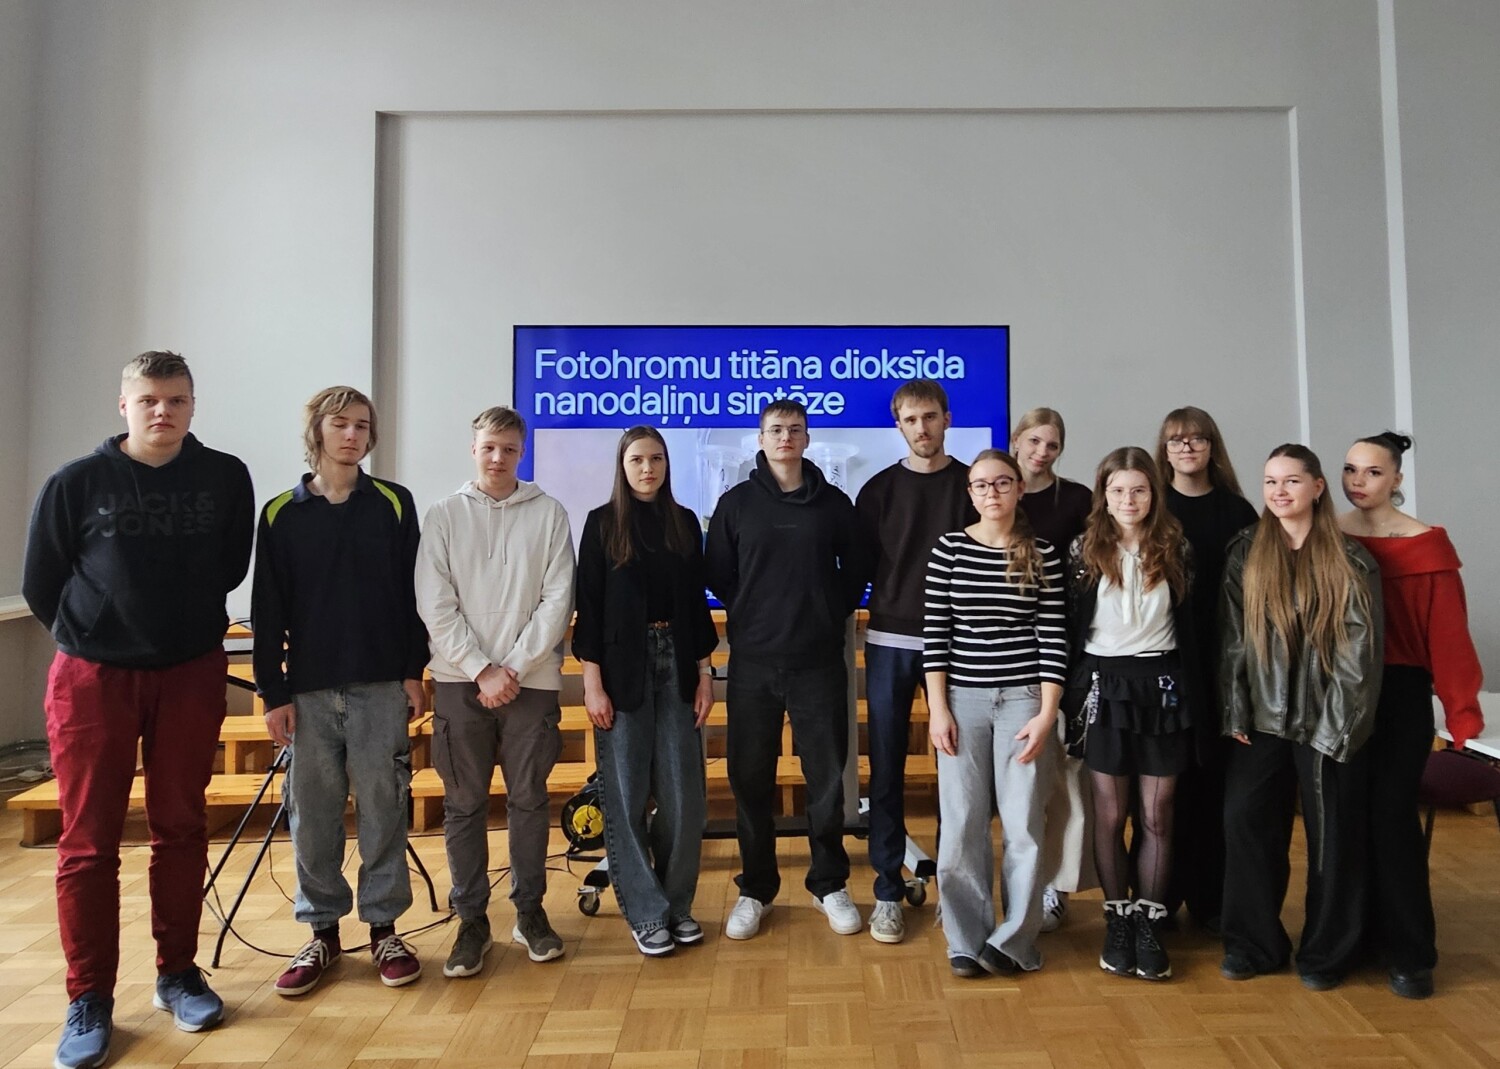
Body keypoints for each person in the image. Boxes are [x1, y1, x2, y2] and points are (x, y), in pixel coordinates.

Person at [23, 352, 254, 1068]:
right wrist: (100, 634)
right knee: (88, 840)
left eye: (177, 399)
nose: (164, 411)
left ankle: (177, 973)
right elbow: (41, 582)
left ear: (193, 405)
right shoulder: (76, 482)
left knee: (180, 827)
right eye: (150, 399)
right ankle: (89, 996)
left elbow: (230, 567)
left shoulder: (225, 477)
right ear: (124, 404)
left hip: (189, 670)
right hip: (94, 677)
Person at [253, 386, 430, 996]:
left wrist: (413, 671)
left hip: (381, 684)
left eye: (361, 425)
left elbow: (413, 597)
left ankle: (384, 928)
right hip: (306, 692)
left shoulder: (394, 504)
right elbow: (267, 609)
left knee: (384, 807)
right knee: (313, 815)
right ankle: (321, 931)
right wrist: (273, 693)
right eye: (340, 424)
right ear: (318, 432)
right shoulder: (281, 513)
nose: (352, 435)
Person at [416, 406, 575, 972]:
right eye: (488, 447)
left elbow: (558, 599)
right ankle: (472, 921)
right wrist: (481, 668)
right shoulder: (443, 515)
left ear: (522, 452)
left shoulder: (549, 513)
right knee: (464, 804)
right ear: (473, 449)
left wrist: (513, 667)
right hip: (460, 681)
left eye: (509, 449)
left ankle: (530, 912)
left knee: (529, 799)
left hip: (532, 683)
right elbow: (434, 602)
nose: (498, 458)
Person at [1219, 444, 1382, 990]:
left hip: (1327, 721)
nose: (1279, 491)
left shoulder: (1351, 558)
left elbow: (1360, 655)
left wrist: (1338, 730)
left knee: (1332, 839)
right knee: (1245, 824)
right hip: (1261, 721)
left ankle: (1326, 953)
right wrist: (1236, 710)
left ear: (1317, 486)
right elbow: (1234, 641)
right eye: (1270, 481)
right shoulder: (1246, 550)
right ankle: (1253, 945)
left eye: (1291, 480)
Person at [706, 399, 870, 940]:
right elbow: (719, 573)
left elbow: (857, 569)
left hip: (818, 662)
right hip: (753, 664)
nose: (785, 438)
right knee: (750, 778)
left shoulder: (834, 504)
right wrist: (750, 610)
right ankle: (755, 888)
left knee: (826, 779)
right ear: (761, 438)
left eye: (795, 429)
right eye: (775, 429)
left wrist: (828, 609)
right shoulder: (735, 504)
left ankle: (829, 883)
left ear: (806, 438)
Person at [1340, 431, 1484, 999]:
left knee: (1392, 817)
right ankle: (1349, 941)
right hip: (1339, 693)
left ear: (1397, 479)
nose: (1358, 481)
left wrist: (1462, 718)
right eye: (1351, 469)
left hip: (1399, 695)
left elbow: (1449, 641)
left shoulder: (1426, 547)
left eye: (1373, 472)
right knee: (1345, 819)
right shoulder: (1330, 536)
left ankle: (1409, 954)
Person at [573, 427, 718, 956]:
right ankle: (646, 911)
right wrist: (592, 683)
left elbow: (697, 606)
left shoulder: (684, 522)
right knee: (628, 794)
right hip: (620, 670)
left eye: (656, 458)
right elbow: (589, 607)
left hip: (678, 660)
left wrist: (705, 674)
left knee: (684, 797)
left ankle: (677, 905)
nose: (647, 468)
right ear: (623, 465)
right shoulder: (601, 523)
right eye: (637, 459)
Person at [924, 449, 1066, 977]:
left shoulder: (1042, 553)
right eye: (981, 485)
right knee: (962, 821)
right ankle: (965, 939)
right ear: (970, 493)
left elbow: (1053, 637)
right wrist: (938, 708)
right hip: (962, 699)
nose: (992, 493)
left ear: (1019, 489)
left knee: (1023, 821)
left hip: (1024, 700)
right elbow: (936, 634)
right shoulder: (949, 550)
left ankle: (1015, 941)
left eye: (1002, 483)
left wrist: (1047, 713)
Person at [1063, 447, 1197, 982]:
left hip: (1162, 685)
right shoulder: (1084, 548)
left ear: (1153, 494)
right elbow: (1070, 624)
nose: (1128, 500)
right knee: (1110, 814)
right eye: (1117, 490)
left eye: (1138, 490)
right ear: (1104, 494)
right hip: (1104, 685)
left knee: (1158, 813)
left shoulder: (1176, 547)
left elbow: (1194, 623)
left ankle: (1150, 922)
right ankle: (1117, 920)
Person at [854, 380, 976, 944]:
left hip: (960, 647)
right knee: (886, 769)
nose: (921, 428)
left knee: (960, 771)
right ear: (897, 425)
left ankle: (956, 891)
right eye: (910, 419)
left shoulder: (973, 486)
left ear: (947, 419)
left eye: (930, 417)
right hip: (890, 643)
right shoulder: (877, 491)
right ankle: (887, 890)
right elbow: (857, 569)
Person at [1154, 407, 1258, 932]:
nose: (1187, 448)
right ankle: (1161, 896)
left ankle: (1211, 899)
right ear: (1165, 449)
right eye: (1176, 440)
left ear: (1212, 447)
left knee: (1214, 784)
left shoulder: (1238, 511)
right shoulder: (1153, 508)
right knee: (1166, 788)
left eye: (1197, 439)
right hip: (1165, 661)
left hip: (1223, 662)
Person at [1010, 407, 1097, 931]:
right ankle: (1013, 881)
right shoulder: (996, 491)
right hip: (1004, 652)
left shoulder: (1079, 500)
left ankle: (1054, 885)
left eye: (1053, 445)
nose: (1042, 452)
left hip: (1062, 646)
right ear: (1017, 440)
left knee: (1065, 774)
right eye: (1034, 442)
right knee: (1017, 778)